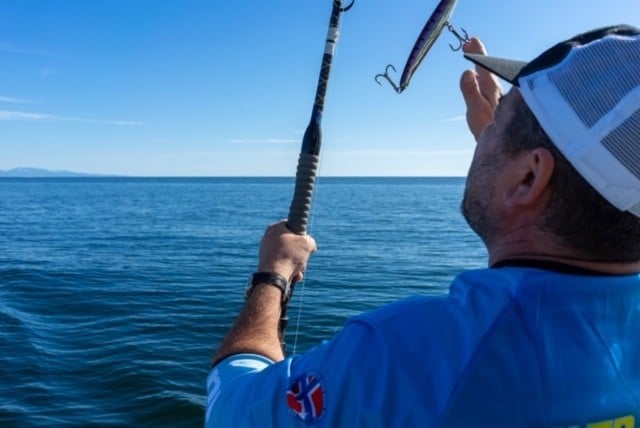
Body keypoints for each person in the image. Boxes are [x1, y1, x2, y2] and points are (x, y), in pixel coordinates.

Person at [206, 24, 640, 427]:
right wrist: (515, 171)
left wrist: (273, 275)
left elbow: (230, 407)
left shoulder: (405, 357)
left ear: (529, 177)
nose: (485, 130)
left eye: (501, 118)